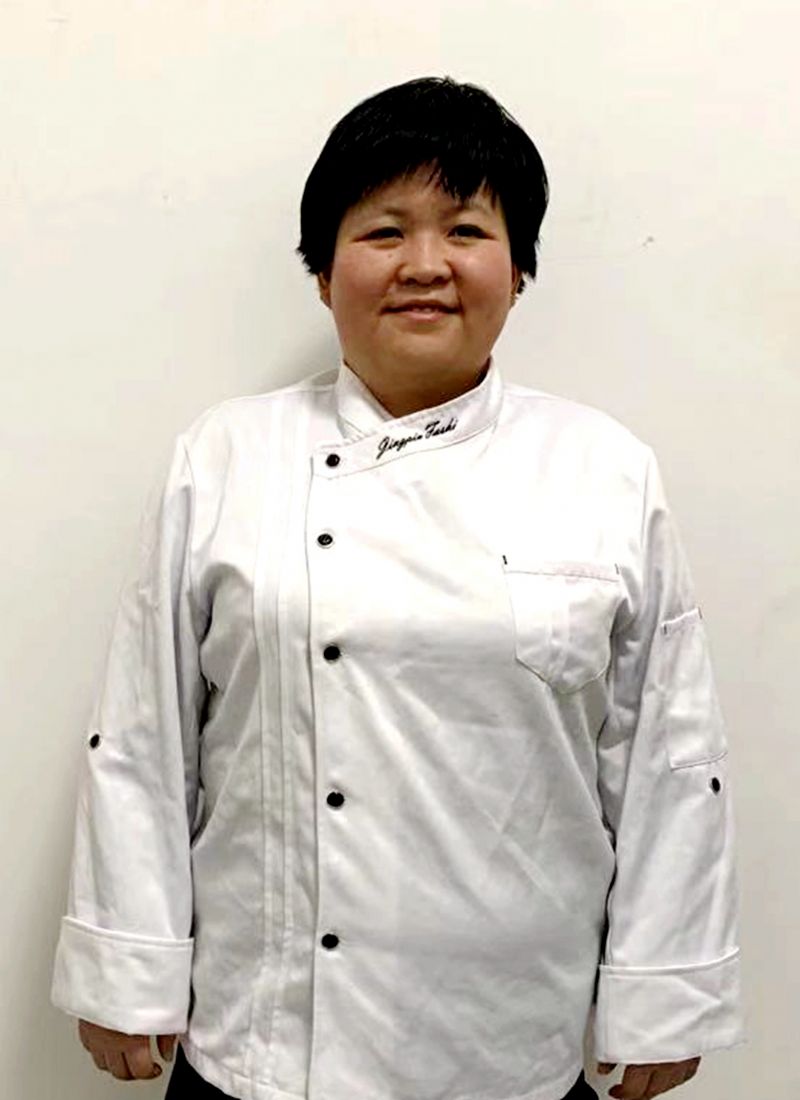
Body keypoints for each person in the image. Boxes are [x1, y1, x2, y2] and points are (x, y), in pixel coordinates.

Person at [50, 76, 747, 1100]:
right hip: (267, 1044)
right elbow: (144, 733)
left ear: (518, 270)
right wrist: (127, 965)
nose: (424, 265)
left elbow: (668, 756)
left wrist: (663, 994)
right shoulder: (227, 455)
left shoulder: (602, 468)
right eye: (383, 231)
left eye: (465, 229)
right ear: (322, 272)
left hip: (511, 1034)